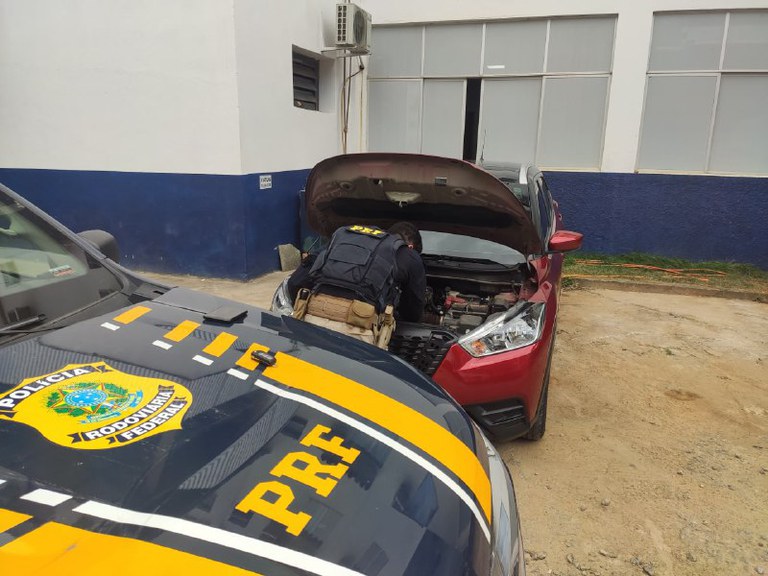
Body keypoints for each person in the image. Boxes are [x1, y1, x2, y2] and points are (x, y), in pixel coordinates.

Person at [287, 222, 426, 349]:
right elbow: (412, 314)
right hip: (356, 335)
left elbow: (295, 282)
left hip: (310, 323)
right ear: (411, 247)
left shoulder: (340, 239)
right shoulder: (408, 255)